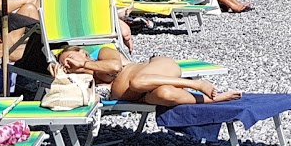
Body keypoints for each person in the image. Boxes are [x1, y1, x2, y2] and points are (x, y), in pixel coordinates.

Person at [55, 45, 242, 106]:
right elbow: (69, 99)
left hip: (159, 68)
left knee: (137, 81)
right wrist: (59, 76)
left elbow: (114, 67)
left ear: (82, 52)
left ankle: (197, 84)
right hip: (145, 94)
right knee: (165, 95)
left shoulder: (104, 53)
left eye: (70, 57)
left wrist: (85, 64)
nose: (69, 63)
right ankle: (215, 99)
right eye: (66, 64)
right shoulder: (85, 82)